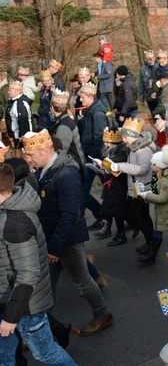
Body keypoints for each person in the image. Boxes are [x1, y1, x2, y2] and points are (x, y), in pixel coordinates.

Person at [22, 130, 114, 336]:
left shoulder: (65, 174)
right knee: (48, 285)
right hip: (53, 238)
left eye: (31, 155)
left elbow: (70, 215)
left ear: (45, 150)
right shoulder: (46, 169)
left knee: (81, 280)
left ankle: (102, 314)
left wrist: (54, 248)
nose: (28, 159)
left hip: (65, 240)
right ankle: (42, 328)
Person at [0, 163, 77, 366]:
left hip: (25, 308)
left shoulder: (15, 223)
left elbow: (27, 275)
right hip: (9, 300)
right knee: (4, 356)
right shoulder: (8, 208)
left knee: (46, 353)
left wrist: (10, 317)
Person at [110, 117, 156, 256]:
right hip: (138, 187)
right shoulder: (134, 147)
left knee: (138, 216)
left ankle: (151, 241)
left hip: (143, 188)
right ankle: (150, 241)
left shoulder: (142, 150)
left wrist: (120, 167)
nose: (123, 140)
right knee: (140, 216)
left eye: (125, 137)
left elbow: (142, 169)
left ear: (132, 136)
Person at [78, 81, 108, 231]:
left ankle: (127, 219)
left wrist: (96, 160)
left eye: (82, 97)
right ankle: (102, 216)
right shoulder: (90, 111)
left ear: (90, 97)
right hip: (91, 157)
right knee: (84, 191)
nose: (80, 99)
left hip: (95, 159)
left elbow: (100, 139)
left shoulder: (97, 114)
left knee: (110, 191)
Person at [4, 80, 32, 146]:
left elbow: (24, 121)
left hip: (20, 136)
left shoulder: (21, 104)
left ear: (17, 91)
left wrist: (22, 135)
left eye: (10, 90)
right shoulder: (13, 101)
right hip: (15, 135)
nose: (8, 92)